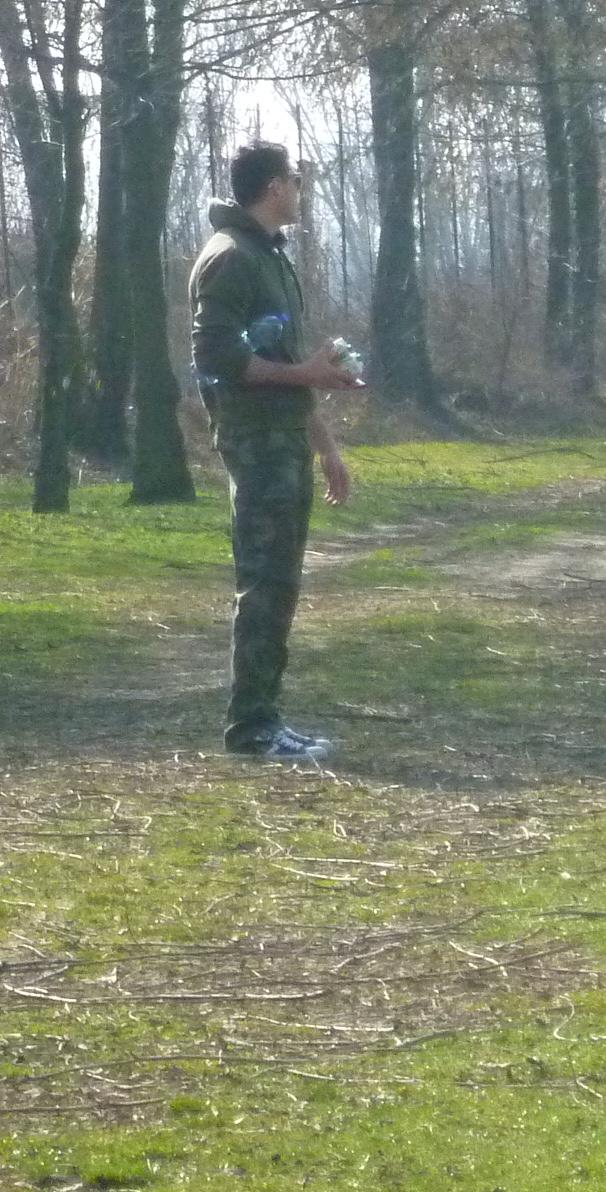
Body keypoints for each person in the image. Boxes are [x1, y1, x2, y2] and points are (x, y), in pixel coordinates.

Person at [189, 140, 362, 762]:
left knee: (280, 581)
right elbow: (216, 357)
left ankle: (266, 718)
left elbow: (286, 366)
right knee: (265, 582)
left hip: (285, 441)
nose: (300, 189)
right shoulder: (231, 258)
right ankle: (251, 729)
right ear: (272, 188)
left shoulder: (269, 256)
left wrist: (326, 447)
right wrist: (305, 375)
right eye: (295, 179)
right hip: (256, 442)